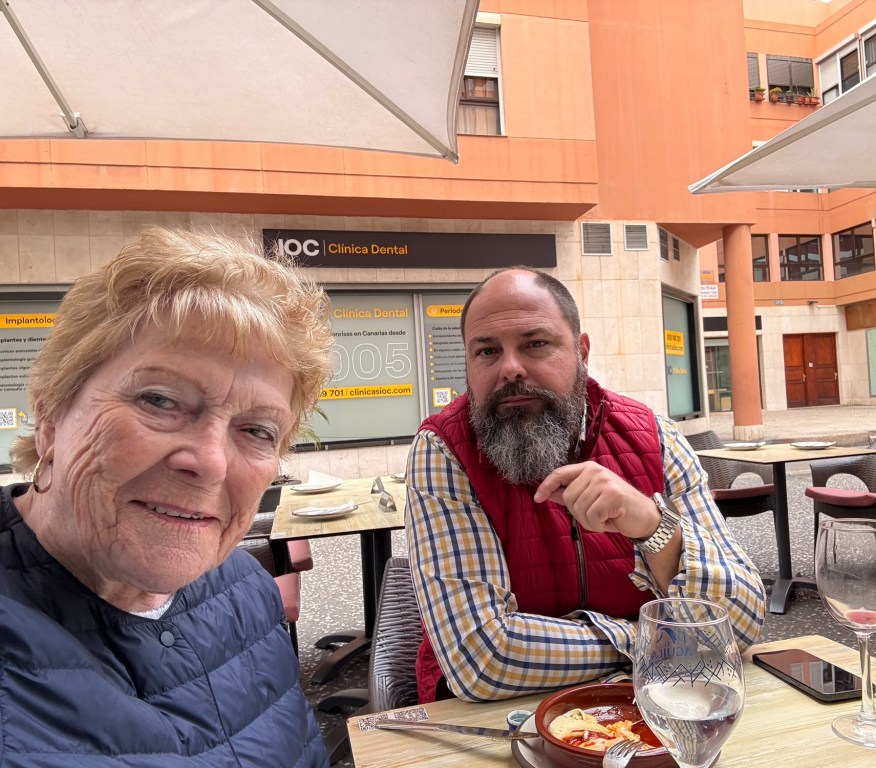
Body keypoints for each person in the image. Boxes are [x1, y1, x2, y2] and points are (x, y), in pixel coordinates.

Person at [0, 228, 334, 766]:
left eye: (257, 430)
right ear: (49, 417)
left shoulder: (248, 591)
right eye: (159, 400)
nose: (211, 462)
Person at [405, 267, 766, 703]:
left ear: (582, 351)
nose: (511, 368)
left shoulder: (654, 437)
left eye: (535, 344)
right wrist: (649, 639)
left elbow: (741, 622)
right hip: (500, 722)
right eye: (487, 351)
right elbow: (482, 660)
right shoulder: (445, 449)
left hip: (665, 705)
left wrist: (655, 527)